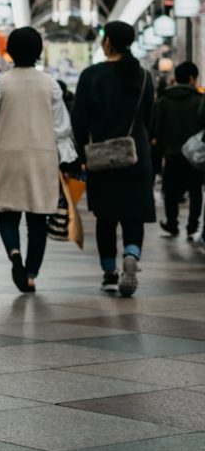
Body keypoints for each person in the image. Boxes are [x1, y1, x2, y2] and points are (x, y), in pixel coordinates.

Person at [0, 27, 77, 293]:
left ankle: (14, 255)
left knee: (8, 214)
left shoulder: (2, 83)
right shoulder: (50, 84)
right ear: (39, 51)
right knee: (37, 221)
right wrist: (68, 160)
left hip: (9, 156)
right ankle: (30, 274)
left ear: (10, 50)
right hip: (42, 159)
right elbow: (61, 128)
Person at [71, 21, 155, 297]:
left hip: (102, 158)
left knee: (106, 218)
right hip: (136, 156)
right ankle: (131, 252)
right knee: (134, 215)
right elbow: (149, 120)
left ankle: (109, 273)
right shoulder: (142, 76)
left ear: (107, 42)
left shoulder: (91, 76)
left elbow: (79, 121)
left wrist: (79, 154)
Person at [152, 61, 204, 240]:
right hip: (195, 155)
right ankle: (192, 226)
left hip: (171, 153)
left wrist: (158, 157)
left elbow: (157, 130)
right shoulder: (199, 101)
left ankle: (172, 223)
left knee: (170, 190)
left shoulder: (163, 101)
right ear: (191, 78)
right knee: (195, 190)